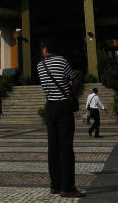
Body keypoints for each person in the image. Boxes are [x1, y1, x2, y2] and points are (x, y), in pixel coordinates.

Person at [37, 38, 84, 199]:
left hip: (50, 107)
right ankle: (68, 187)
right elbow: (74, 79)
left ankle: (55, 185)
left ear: (45, 49)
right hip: (63, 106)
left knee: (53, 147)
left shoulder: (40, 66)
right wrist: (71, 88)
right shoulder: (62, 61)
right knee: (66, 147)